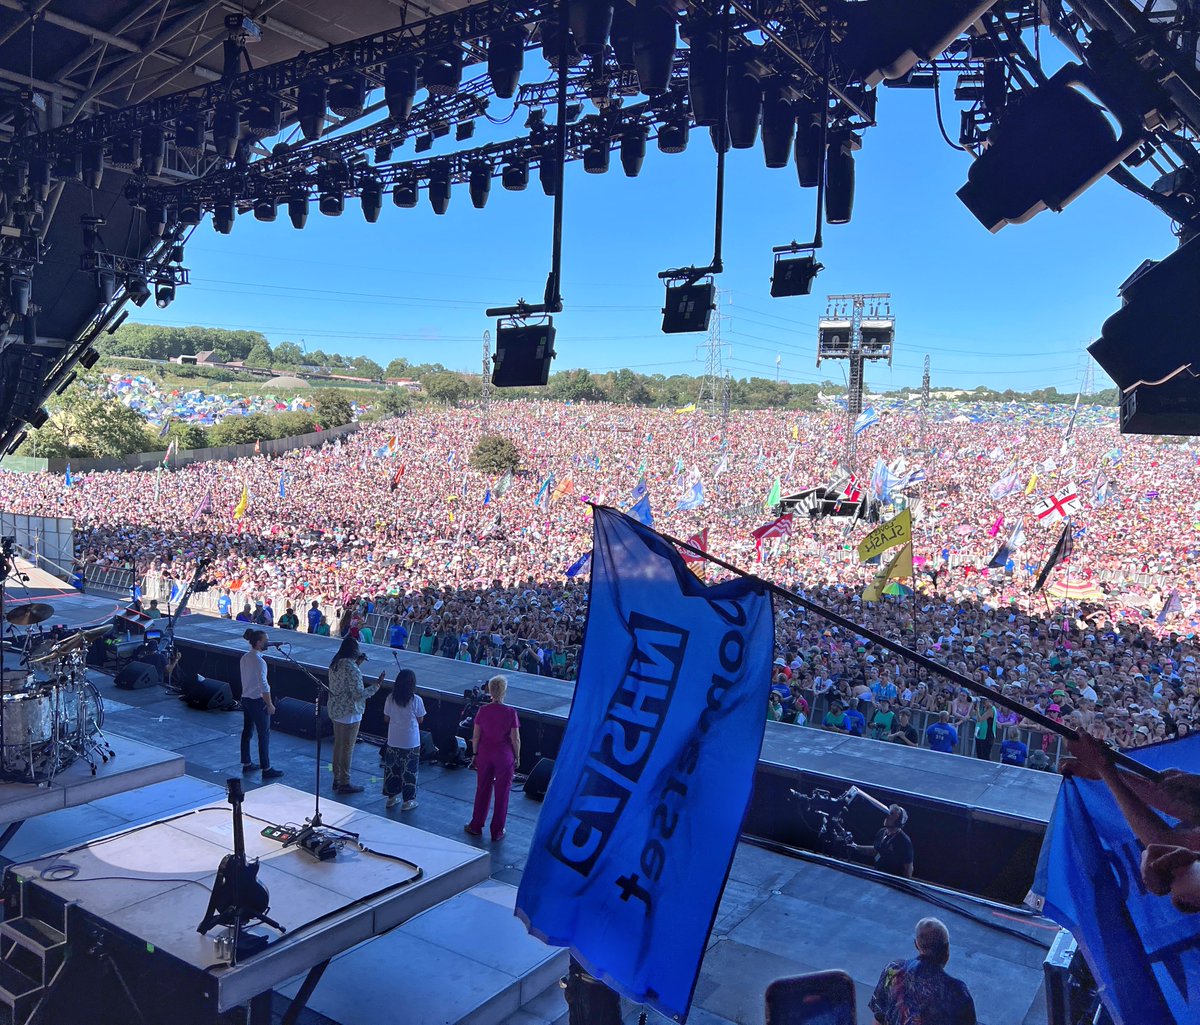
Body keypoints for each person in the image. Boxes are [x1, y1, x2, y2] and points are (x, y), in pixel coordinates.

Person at [869, 918, 976, 1025]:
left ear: (917, 944)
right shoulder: (957, 992)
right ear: (947, 948)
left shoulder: (893, 970)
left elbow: (879, 1018)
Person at [466, 675, 521, 842]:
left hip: (485, 754)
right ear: (504, 691)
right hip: (504, 756)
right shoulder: (510, 712)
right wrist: (517, 756)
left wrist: (474, 754)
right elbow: (515, 739)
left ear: (490, 691)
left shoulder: (483, 711)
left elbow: (476, 736)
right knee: (502, 793)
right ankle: (497, 831)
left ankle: (476, 825)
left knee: (482, 789)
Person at [327, 637, 383, 794]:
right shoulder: (352, 668)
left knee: (338, 745)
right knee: (347, 748)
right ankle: (345, 782)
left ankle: (336, 779)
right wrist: (376, 686)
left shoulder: (335, 664)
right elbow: (358, 694)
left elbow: (344, 683)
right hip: (350, 713)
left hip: (336, 710)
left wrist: (357, 664)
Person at [239, 628, 282, 780]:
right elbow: (264, 685)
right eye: (265, 640)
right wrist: (269, 704)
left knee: (247, 732)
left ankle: (246, 763)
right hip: (257, 701)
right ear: (258, 643)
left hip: (246, 698)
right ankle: (266, 768)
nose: (268, 643)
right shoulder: (260, 661)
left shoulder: (245, 657)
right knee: (263, 735)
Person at [383, 667, 426, 811]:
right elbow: (420, 719)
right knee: (409, 771)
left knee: (392, 769)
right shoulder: (416, 700)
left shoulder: (390, 698)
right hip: (410, 742)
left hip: (393, 740)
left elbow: (386, 718)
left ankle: (391, 798)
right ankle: (408, 801)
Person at [853, 804, 914, 878]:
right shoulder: (881, 832)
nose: (887, 816)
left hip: (891, 879)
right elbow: (876, 850)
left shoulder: (904, 841)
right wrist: (856, 847)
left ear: (899, 821)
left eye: (891, 814)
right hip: (878, 874)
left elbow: (908, 868)